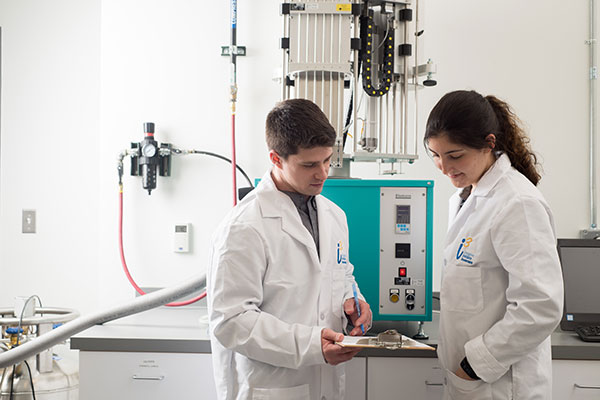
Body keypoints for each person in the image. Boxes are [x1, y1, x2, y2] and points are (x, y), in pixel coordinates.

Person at [207, 98, 372, 400]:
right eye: (309, 165)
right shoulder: (244, 227)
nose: (323, 173)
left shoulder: (334, 215)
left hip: (325, 384)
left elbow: (341, 274)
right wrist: (310, 345)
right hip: (273, 387)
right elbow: (230, 321)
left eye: (327, 160)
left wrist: (353, 301)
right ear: (276, 158)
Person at [424, 90, 563, 400]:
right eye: (435, 155)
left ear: (489, 143)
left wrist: (474, 365)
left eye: (455, 155)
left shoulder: (517, 203)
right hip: (470, 381)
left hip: (500, 384)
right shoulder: (467, 197)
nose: (444, 167)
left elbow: (540, 306)